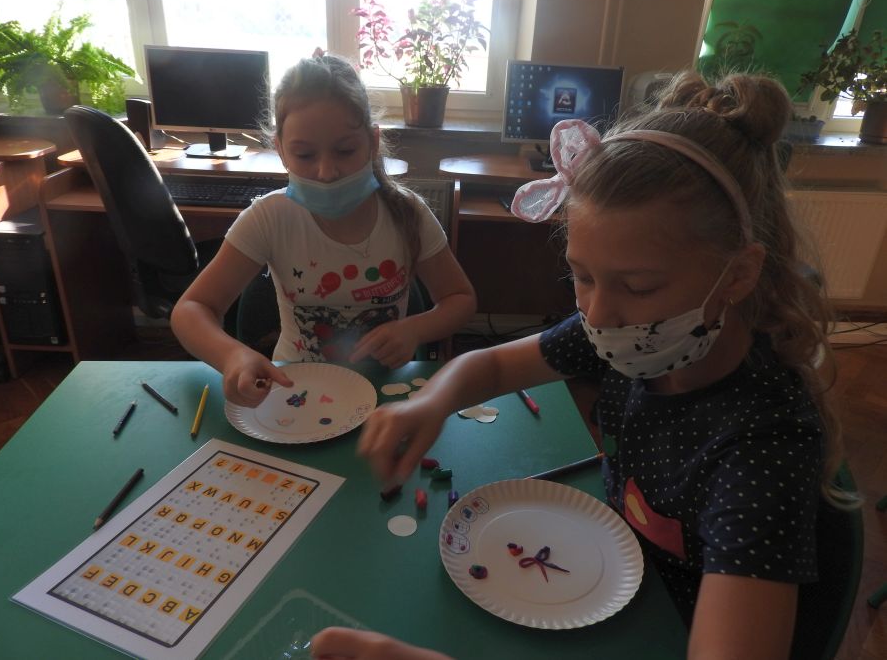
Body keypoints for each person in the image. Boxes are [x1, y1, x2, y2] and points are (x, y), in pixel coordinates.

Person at [316, 72, 857, 659]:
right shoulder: (632, 333)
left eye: (639, 286)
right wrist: (432, 401)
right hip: (625, 583)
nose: (598, 314)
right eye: (582, 275)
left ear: (739, 275)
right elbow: (490, 369)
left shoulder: (762, 446)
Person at [171, 53, 476, 407]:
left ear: (372, 142)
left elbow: (460, 299)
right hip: (297, 389)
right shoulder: (269, 218)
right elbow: (192, 308)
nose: (326, 172)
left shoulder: (408, 213)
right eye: (304, 155)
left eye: (345, 151)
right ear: (280, 151)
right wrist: (232, 357)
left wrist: (414, 329)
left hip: (386, 390)